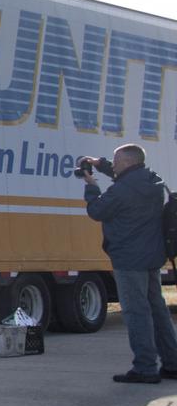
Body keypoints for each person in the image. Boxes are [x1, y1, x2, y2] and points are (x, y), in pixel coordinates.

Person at [82, 144, 177, 384]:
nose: (113, 164)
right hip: (152, 257)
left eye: (116, 160)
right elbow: (127, 179)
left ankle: (145, 368)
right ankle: (172, 363)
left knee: (137, 313)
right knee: (157, 311)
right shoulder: (152, 182)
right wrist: (100, 164)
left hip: (129, 259)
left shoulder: (122, 191)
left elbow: (97, 211)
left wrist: (91, 188)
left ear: (127, 161)